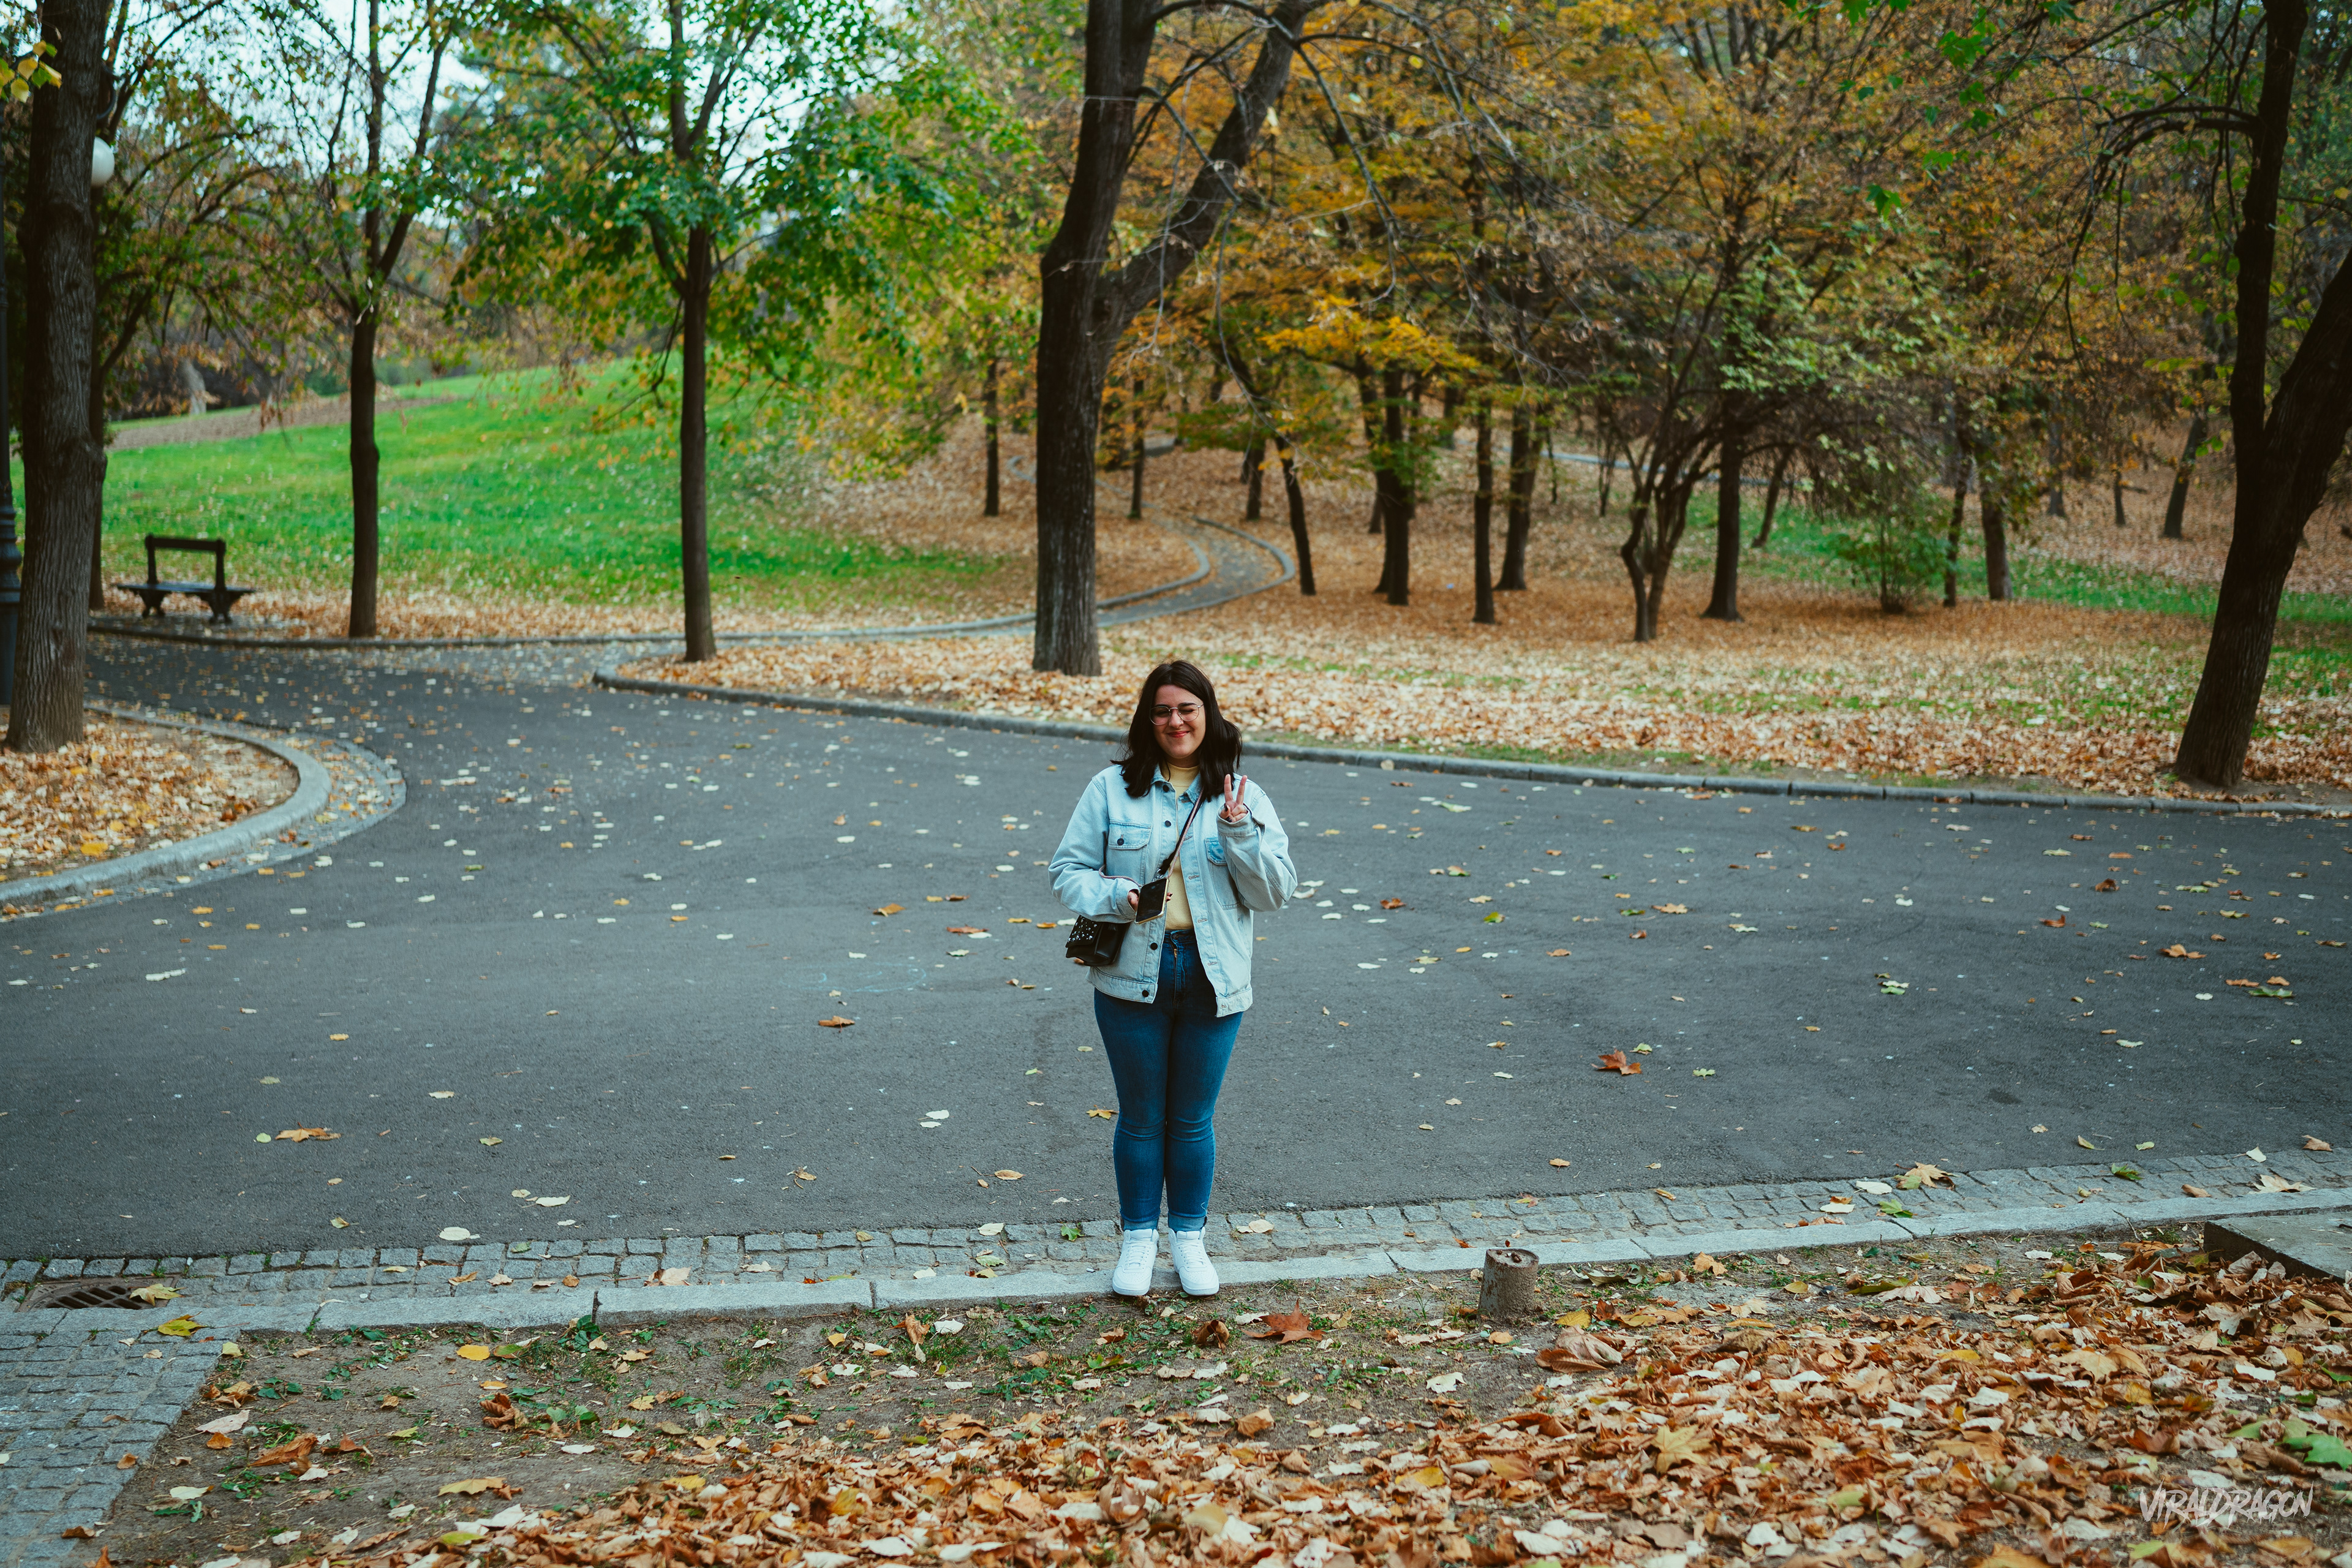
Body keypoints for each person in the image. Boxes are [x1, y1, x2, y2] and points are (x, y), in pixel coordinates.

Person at [1049, 660, 1297, 1297]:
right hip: (1133, 971)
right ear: (1147, 720)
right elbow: (1067, 872)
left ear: (1208, 714)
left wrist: (1239, 833)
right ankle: (1138, 1239)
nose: (1175, 721)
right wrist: (1117, 896)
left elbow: (1274, 894)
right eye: (1162, 711)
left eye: (1187, 708)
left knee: (1191, 1120)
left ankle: (1189, 1239)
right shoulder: (1111, 789)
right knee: (1140, 1118)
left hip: (1214, 976)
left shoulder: (1242, 796)